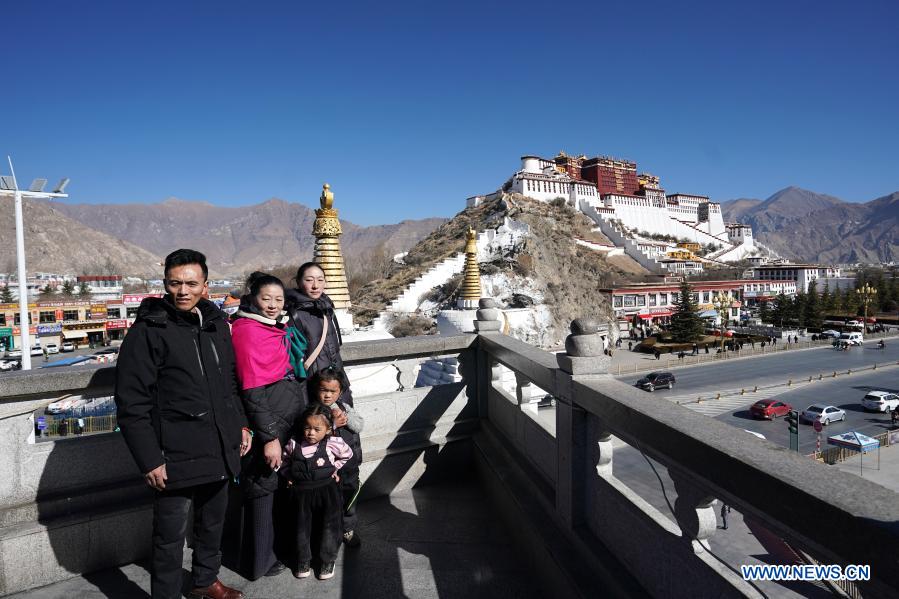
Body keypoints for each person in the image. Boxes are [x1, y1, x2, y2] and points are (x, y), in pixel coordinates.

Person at [115, 249, 250, 599]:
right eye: (175, 283)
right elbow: (132, 402)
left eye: (192, 283)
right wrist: (149, 458)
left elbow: (230, 383)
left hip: (219, 445)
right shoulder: (149, 331)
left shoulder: (217, 324)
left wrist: (242, 426)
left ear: (205, 285)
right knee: (169, 536)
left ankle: (205, 581)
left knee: (213, 523)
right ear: (164, 285)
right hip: (173, 452)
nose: (183, 291)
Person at [229, 272, 308, 580]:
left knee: (280, 488)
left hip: (288, 418)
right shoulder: (247, 331)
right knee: (261, 488)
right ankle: (257, 561)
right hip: (268, 423)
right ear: (253, 298)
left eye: (279, 299)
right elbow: (252, 389)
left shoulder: (276, 328)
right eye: (266, 299)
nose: (274, 305)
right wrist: (269, 437)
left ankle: (277, 551)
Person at [281, 403, 353, 581]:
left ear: (328, 429)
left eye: (316, 429)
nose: (311, 433)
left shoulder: (332, 442)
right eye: (307, 428)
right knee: (301, 527)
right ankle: (303, 559)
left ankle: (327, 560)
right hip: (301, 495)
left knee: (329, 527)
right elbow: (283, 461)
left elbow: (347, 454)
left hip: (327, 492)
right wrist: (288, 475)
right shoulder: (294, 444)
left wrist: (334, 469)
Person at [310, 366, 364, 548]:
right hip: (327, 468)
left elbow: (358, 426)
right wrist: (332, 425)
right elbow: (311, 436)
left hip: (348, 466)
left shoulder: (344, 407)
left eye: (332, 391)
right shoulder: (314, 411)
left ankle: (347, 528)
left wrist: (344, 417)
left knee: (350, 497)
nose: (327, 395)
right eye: (323, 390)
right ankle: (328, 532)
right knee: (329, 502)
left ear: (340, 392)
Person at [286, 262, 352, 405]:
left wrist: (344, 386)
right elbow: (294, 359)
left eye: (320, 280)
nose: (315, 285)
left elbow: (335, 352)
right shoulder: (293, 315)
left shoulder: (325, 309)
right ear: (298, 281)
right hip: (315, 388)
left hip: (336, 384)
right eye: (309, 280)